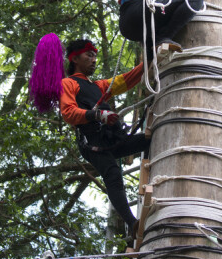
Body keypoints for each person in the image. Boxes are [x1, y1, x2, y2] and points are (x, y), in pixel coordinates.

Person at [29, 34, 149, 237]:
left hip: (112, 139)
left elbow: (125, 81)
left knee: (148, 141)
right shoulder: (69, 84)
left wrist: (149, 63)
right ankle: (132, 224)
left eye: (95, 56)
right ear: (74, 59)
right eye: (89, 55)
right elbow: (68, 113)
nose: (94, 60)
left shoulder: (98, 86)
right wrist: (98, 115)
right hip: (93, 143)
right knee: (112, 174)